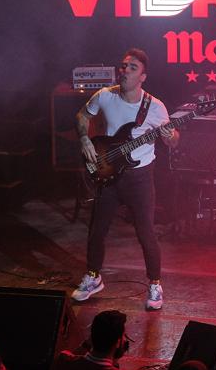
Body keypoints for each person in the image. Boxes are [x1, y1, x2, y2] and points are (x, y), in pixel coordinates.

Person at [72, 48, 178, 310]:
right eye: (123, 66)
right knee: (97, 229)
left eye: (132, 68)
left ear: (143, 77)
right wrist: (85, 139)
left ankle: (155, 284)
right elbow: (82, 115)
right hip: (109, 172)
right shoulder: (105, 96)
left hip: (140, 177)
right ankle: (93, 277)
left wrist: (170, 136)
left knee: (146, 232)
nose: (125, 71)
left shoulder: (155, 106)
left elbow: (173, 141)